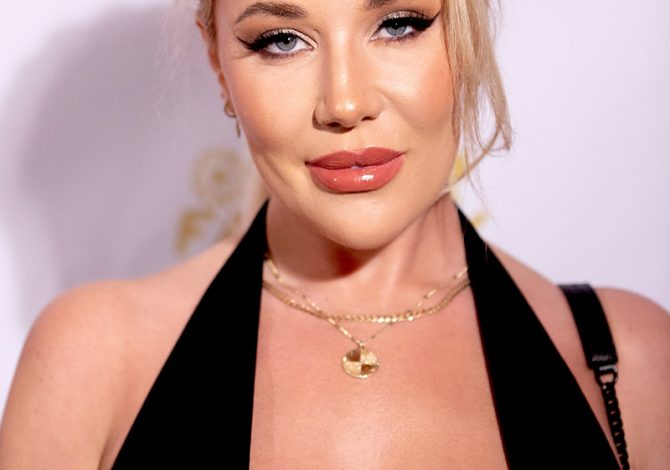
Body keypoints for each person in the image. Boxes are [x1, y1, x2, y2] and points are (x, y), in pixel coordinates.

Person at [1, 0, 668, 468]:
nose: (345, 103)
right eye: (281, 40)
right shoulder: (95, 361)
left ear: (466, 32)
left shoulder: (628, 362)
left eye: (398, 24)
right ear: (218, 65)